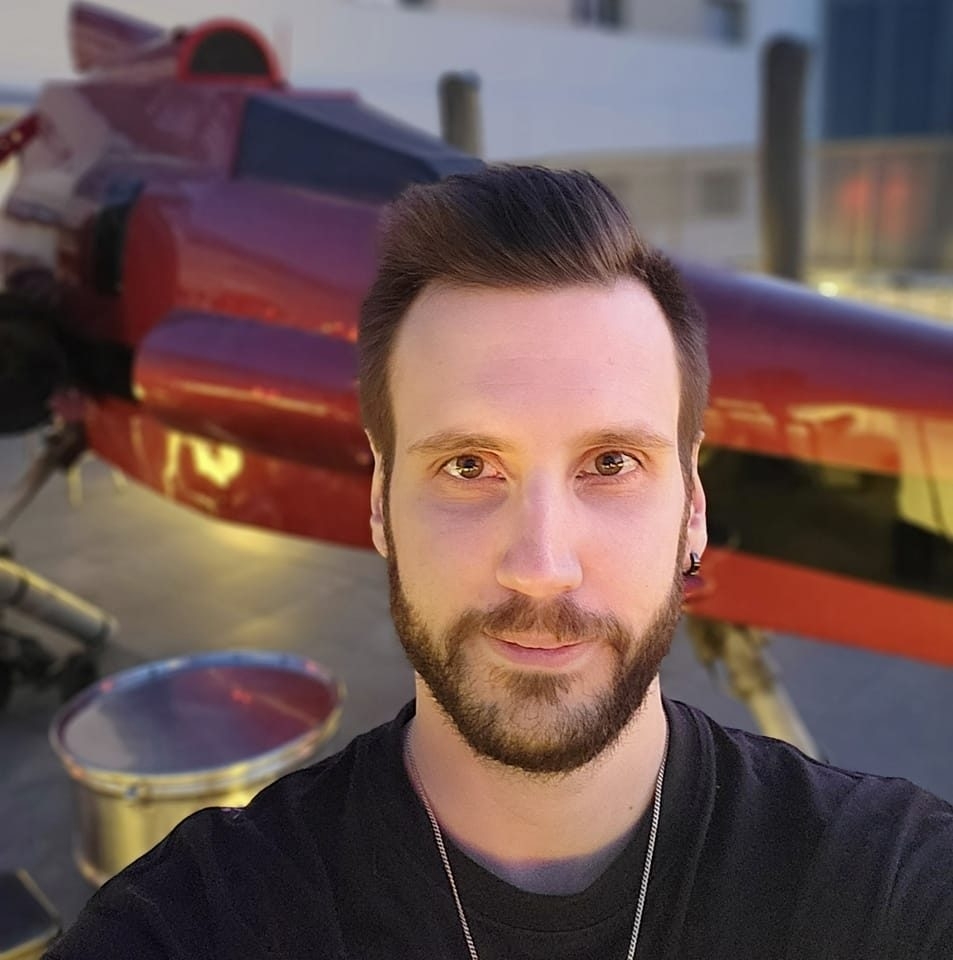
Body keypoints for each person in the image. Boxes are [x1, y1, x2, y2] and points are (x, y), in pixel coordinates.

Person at [47, 166, 952, 959]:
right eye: (467, 467)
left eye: (610, 463)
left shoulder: (889, 883)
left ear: (693, 508)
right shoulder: (198, 923)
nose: (541, 567)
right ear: (379, 503)